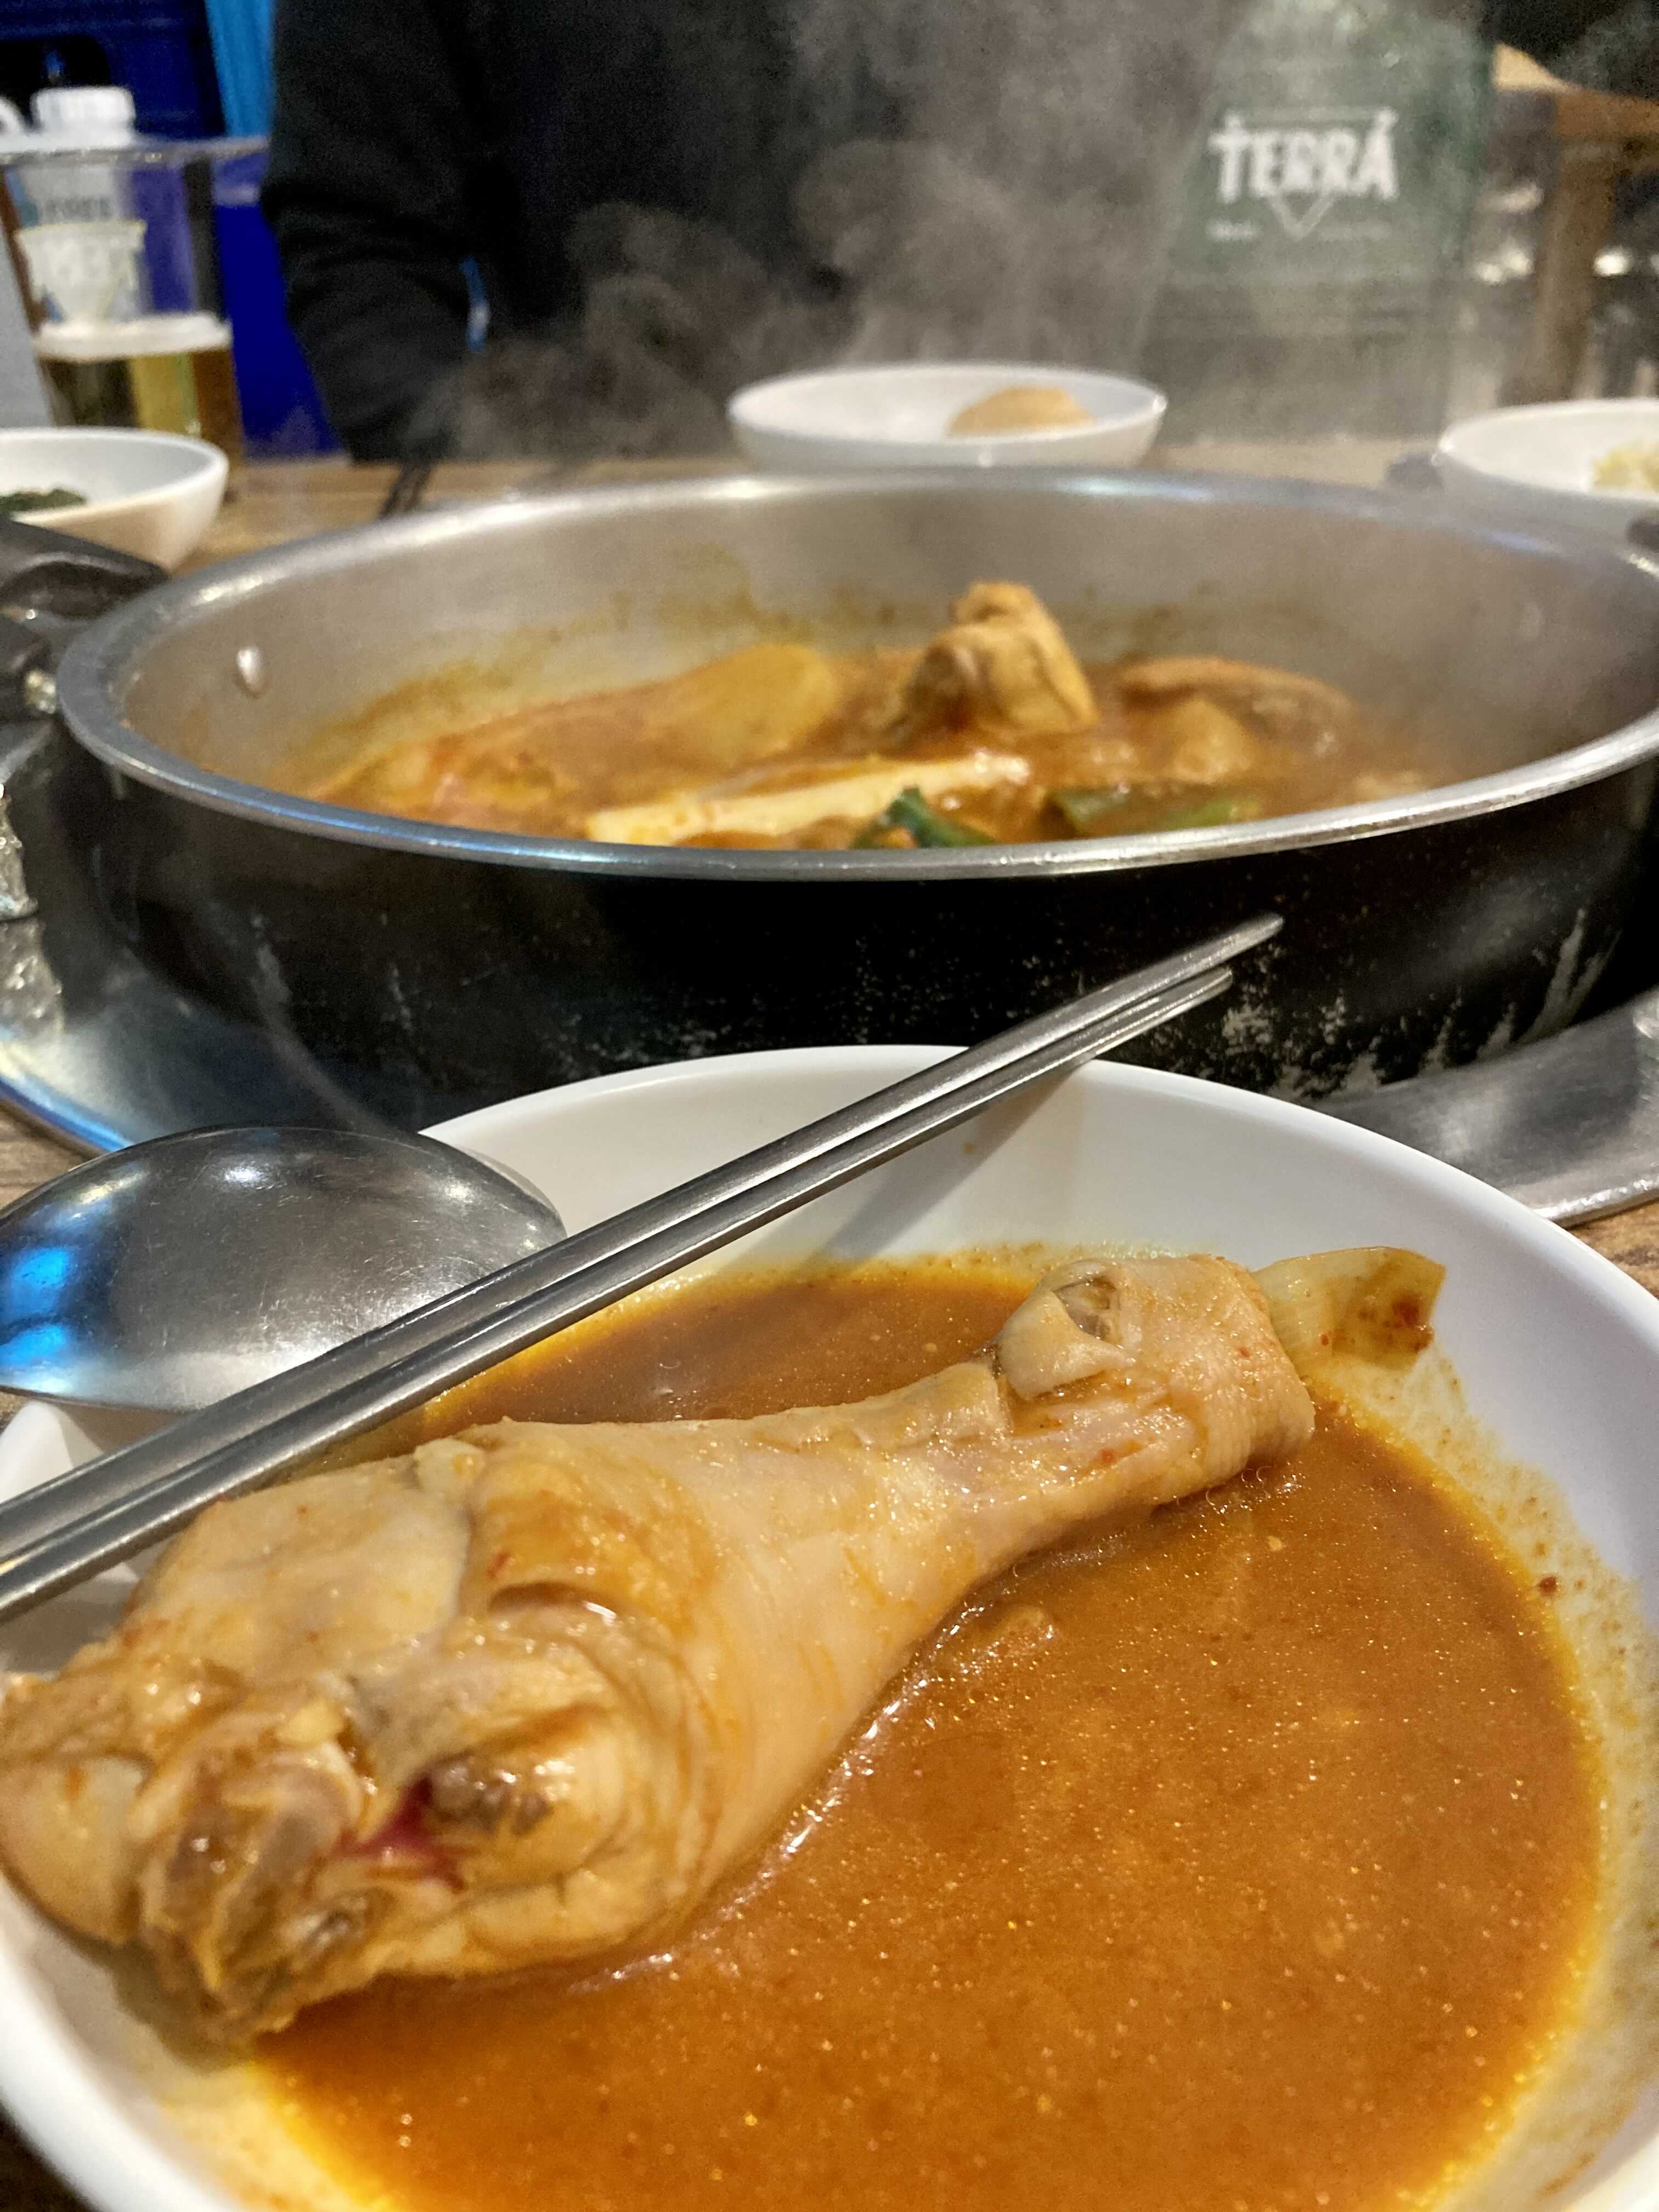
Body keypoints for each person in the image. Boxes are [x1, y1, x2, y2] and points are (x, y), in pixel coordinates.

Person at [263, 0, 1637, 463]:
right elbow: (356, 232)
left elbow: (1589, 26)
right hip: (610, 505)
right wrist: (474, 479)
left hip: (1082, 490)